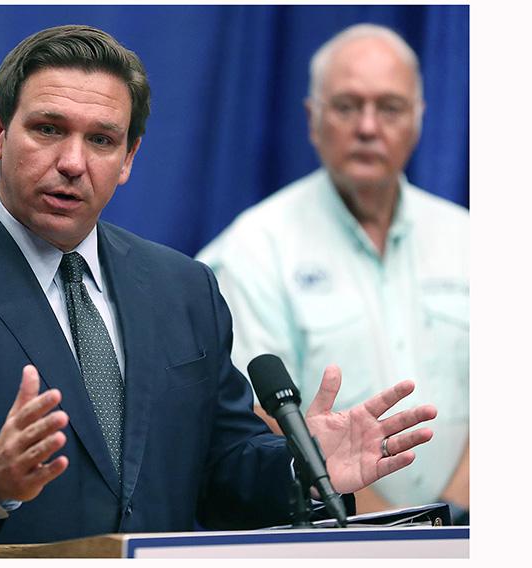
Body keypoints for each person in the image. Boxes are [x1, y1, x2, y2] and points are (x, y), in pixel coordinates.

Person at [0, 25, 438, 557]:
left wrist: (303, 466)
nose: (74, 162)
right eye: (49, 129)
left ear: (130, 157)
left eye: (102, 140)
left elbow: (218, 470)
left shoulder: (183, 286)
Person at [196, 24, 468, 521]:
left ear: (419, 118)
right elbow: (252, 422)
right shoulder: (251, 250)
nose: (367, 127)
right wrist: (396, 528)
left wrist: (457, 517)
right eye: (346, 106)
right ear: (312, 120)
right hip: (331, 533)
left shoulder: (475, 239)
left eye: (389, 107)